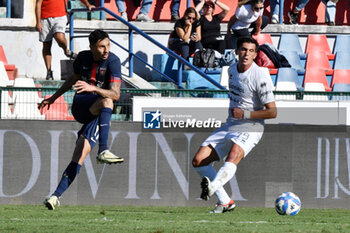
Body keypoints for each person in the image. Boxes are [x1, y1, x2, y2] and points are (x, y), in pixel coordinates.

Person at [38, 29, 124, 210]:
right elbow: (72, 79)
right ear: (92, 47)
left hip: (98, 111)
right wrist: (53, 98)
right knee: (106, 101)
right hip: (81, 106)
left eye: (108, 45)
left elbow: (116, 94)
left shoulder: (114, 62)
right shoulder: (83, 58)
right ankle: (104, 150)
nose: (106, 50)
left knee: (80, 155)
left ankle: (55, 196)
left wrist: (93, 88)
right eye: (101, 46)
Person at [192, 36, 277, 213]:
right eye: (244, 50)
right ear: (237, 51)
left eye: (251, 51)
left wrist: (245, 114)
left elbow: (272, 112)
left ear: (255, 54)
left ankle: (212, 187)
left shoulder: (260, 75)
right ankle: (225, 202)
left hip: (252, 125)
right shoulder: (231, 70)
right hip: (231, 124)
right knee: (198, 161)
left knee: (233, 156)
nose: (247, 54)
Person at [35, 0, 95, 80]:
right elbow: (38, 4)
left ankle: (66, 50)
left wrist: (88, 4)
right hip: (44, 18)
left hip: (60, 16)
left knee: (59, 37)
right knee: (46, 46)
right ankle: (49, 71)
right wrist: (38, 22)